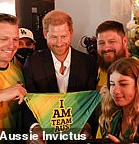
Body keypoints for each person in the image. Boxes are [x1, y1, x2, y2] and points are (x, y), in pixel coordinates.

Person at [23, 10, 98, 139]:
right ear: (45, 34)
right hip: (46, 135)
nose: (59, 43)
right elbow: (29, 102)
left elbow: (90, 102)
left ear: (71, 33)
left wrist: (87, 126)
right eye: (54, 37)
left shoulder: (88, 62)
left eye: (63, 36)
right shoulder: (33, 63)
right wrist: (35, 128)